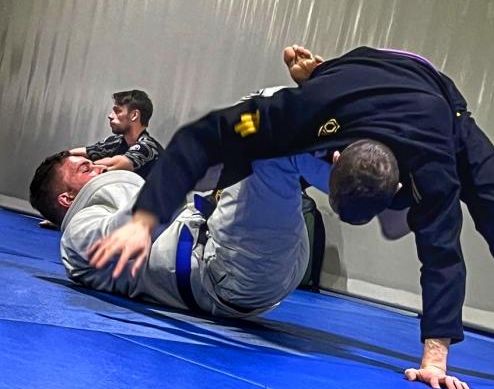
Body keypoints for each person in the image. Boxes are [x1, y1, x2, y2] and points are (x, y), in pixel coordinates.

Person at [87, 46, 494, 389]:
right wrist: (145, 218)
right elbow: (206, 132)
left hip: (439, 102)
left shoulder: (431, 165)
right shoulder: (296, 114)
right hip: (345, 79)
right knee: (251, 138)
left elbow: (443, 251)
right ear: (332, 156)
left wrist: (434, 359)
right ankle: (319, 72)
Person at [28, 109, 331, 318]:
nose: (98, 166)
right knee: (259, 146)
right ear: (67, 198)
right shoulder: (76, 237)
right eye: (86, 168)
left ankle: (335, 153)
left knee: (261, 113)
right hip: (225, 273)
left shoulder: (113, 202)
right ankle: (343, 176)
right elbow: (125, 234)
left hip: (244, 258)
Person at [72, 89, 163, 178]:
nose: (110, 116)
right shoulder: (117, 141)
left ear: (134, 115)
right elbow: (88, 151)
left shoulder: (148, 147)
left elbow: (119, 163)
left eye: (117, 111)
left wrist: (84, 168)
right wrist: (65, 156)